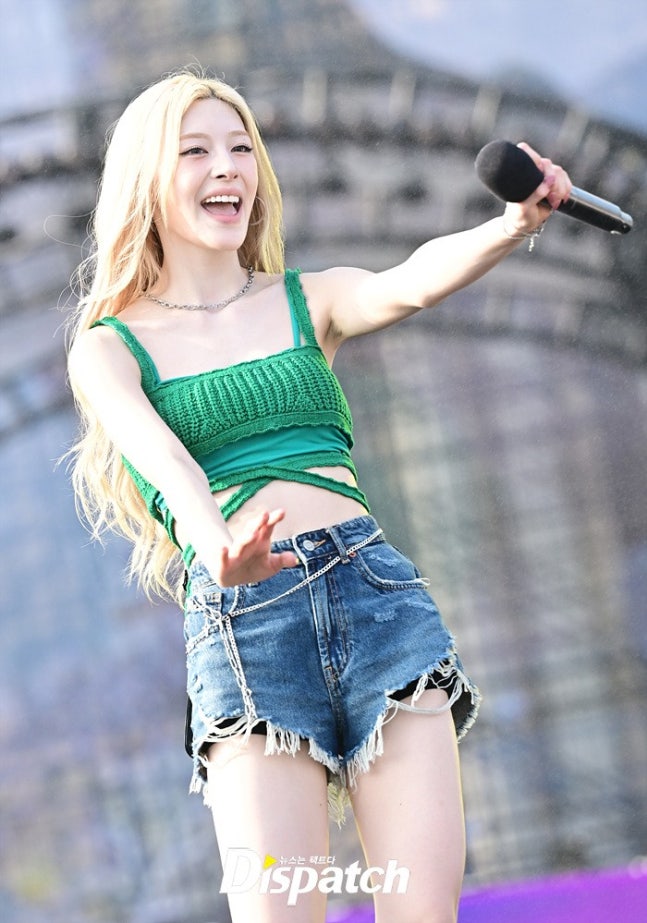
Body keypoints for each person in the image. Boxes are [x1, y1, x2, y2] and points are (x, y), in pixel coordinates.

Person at [66, 69, 571, 923]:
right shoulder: (109, 348)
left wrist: (510, 225)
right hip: (246, 630)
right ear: (146, 179)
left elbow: (408, 280)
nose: (226, 167)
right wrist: (217, 545)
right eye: (195, 151)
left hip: (376, 604)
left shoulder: (308, 297)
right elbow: (168, 465)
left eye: (240, 149)